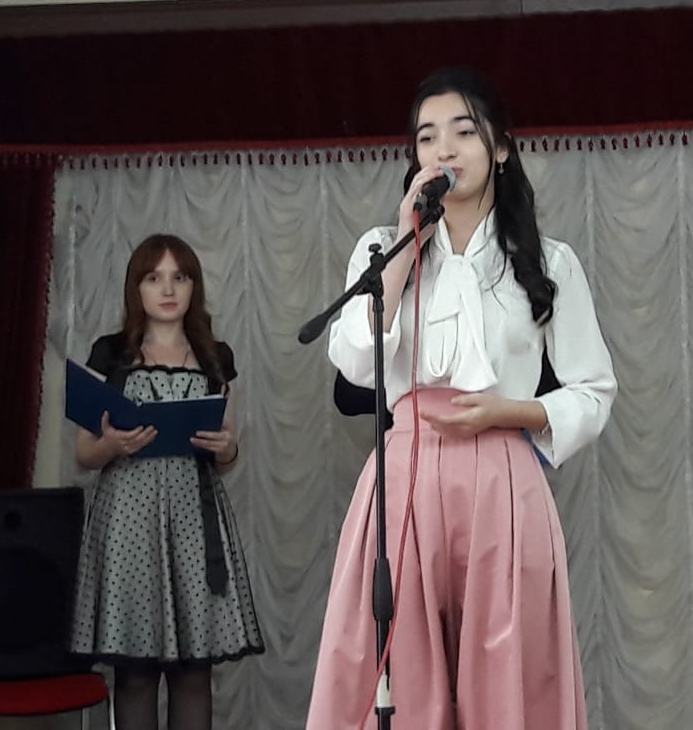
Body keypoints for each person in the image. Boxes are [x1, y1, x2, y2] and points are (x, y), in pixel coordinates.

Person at [307, 67, 617, 730]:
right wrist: (403, 245)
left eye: (463, 132)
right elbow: (356, 361)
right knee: (396, 671)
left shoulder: (548, 261)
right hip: (405, 475)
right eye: (426, 137)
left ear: (500, 147)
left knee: (505, 675)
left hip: (502, 477)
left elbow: (593, 392)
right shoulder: (380, 249)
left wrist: (510, 413)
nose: (443, 149)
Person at [70, 234, 264, 730]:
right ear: (136, 288)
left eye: (180, 277)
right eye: (154, 277)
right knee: (135, 674)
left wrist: (227, 448)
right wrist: (113, 444)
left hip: (195, 520)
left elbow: (227, 453)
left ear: (194, 286)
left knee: (193, 673)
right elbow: (84, 453)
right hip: (128, 522)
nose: (168, 288)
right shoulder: (111, 353)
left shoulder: (216, 356)